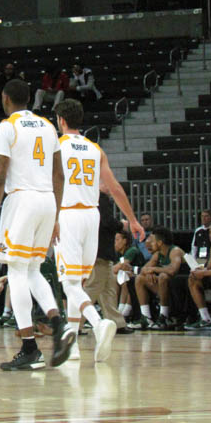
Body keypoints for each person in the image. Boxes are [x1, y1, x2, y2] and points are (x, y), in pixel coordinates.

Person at [0, 79, 74, 371]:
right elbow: (59, 175)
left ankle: (29, 348)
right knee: (32, 269)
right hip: (47, 200)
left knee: (17, 271)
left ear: (5, 98)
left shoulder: (6, 127)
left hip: (21, 200)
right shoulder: (48, 126)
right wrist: (57, 215)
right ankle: (59, 323)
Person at [54, 99, 143, 362]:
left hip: (68, 214)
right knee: (77, 282)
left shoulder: (56, 146)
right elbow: (114, 187)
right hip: (91, 216)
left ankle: (97, 322)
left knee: (68, 283)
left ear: (60, 121)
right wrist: (133, 220)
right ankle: (72, 346)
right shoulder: (95, 149)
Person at [82, 192, 135, 338]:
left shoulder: (90, 197)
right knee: (91, 289)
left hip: (99, 251)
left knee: (108, 289)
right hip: (100, 251)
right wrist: (121, 225)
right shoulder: (100, 198)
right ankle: (74, 324)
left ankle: (117, 323)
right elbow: (106, 221)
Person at [132, 227, 185, 330]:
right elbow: (144, 269)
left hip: (181, 290)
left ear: (160, 243)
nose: (149, 244)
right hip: (166, 290)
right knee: (140, 278)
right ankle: (146, 318)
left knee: (163, 276)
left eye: (152, 241)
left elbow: (172, 270)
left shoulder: (175, 251)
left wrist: (153, 269)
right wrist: (149, 273)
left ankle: (164, 316)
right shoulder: (157, 254)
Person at [113, 229, 146, 322]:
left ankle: (123, 312)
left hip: (140, 275)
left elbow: (116, 268)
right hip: (131, 276)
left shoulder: (132, 250)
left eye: (117, 239)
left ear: (125, 241)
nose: (114, 242)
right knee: (116, 278)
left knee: (124, 278)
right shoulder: (119, 253)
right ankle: (116, 310)